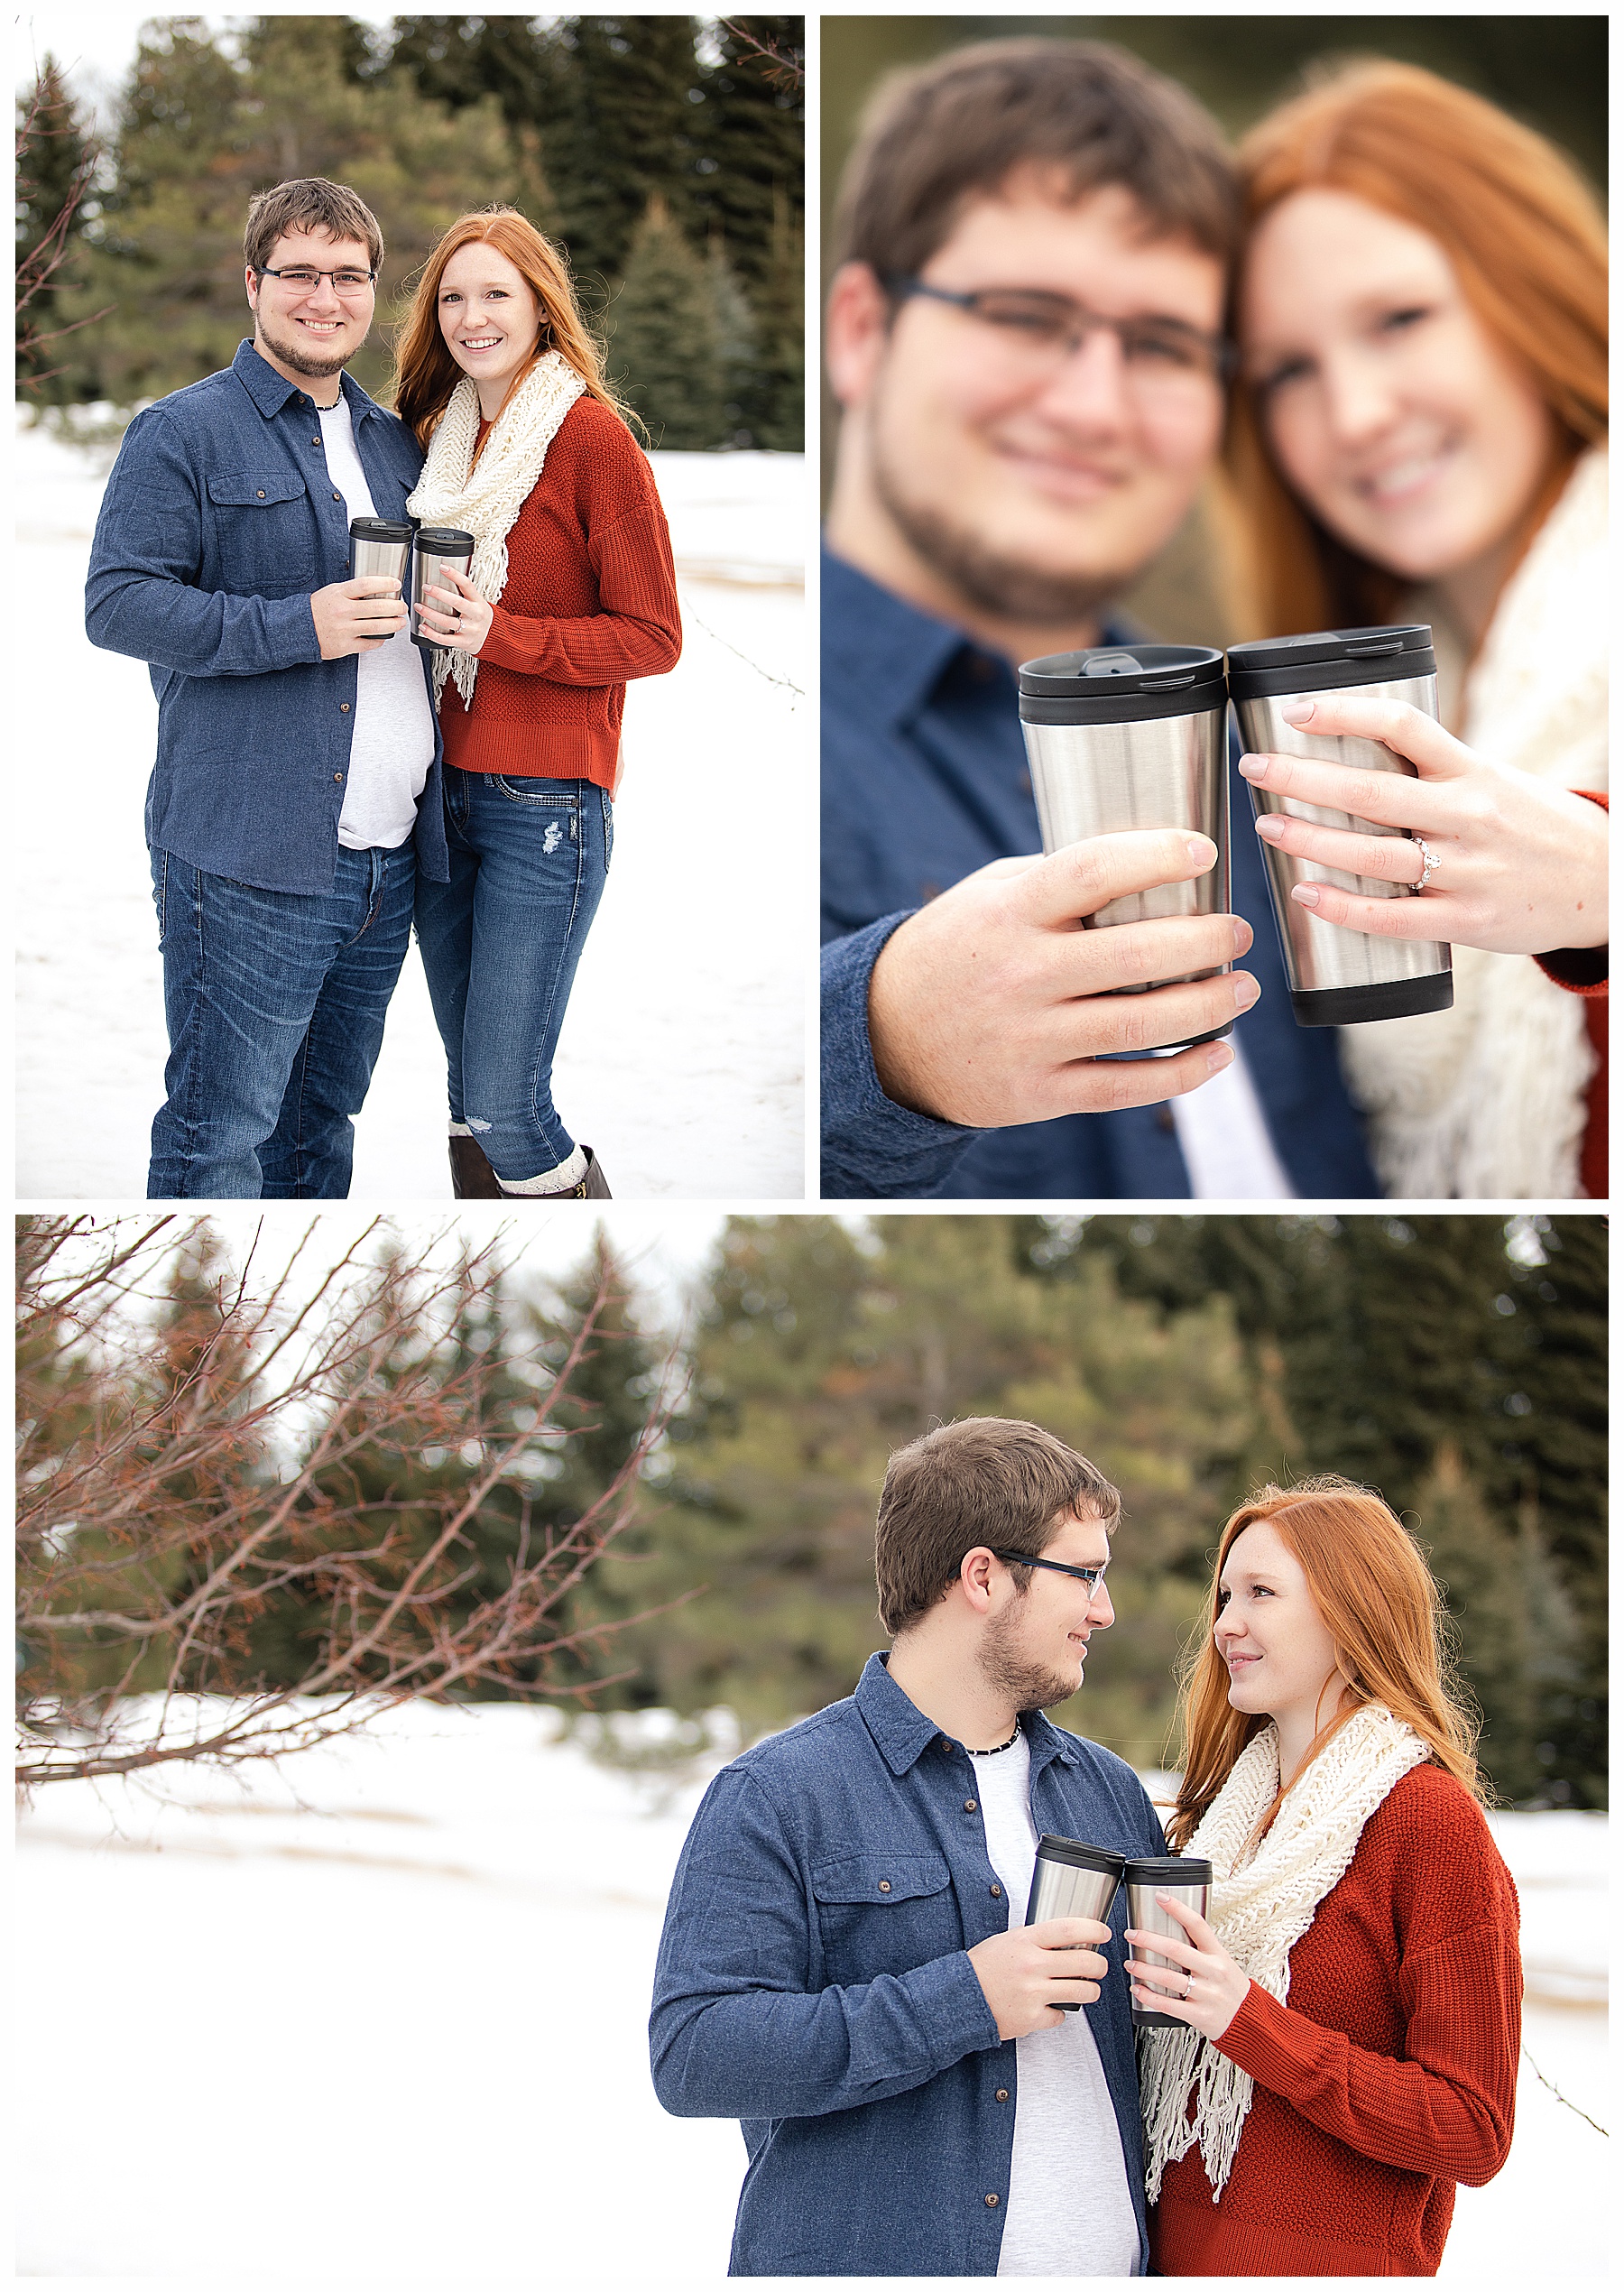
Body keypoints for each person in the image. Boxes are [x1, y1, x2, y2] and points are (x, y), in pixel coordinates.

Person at [819, 39, 1380, 1201]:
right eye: (1026, 315)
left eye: (1166, 346)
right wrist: (880, 1045)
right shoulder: (768, 732)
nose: (1093, 404)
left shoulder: (1292, 757)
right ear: (863, 328)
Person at [650, 1418, 1169, 2276]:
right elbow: (697, 2052)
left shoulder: (1109, 1794)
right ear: (983, 1575)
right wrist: (966, 1998)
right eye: (1084, 1574)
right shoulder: (779, 1795)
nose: (1104, 1610)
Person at [1229, 62, 1608, 1197]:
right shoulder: (1342, 721)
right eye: (1289, 371)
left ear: (1527, 287)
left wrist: (1600, 884)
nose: (1355, 414)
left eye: (1399, 320)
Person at [86, 177, 444, 1197]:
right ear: (254, 283)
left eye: (346, 276)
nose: (322, 297)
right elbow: (118, 603)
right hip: (248, 854)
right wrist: (301, 624)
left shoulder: (396, 443)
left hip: (385, 864)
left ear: (372, 291)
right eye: (297, 273)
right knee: (220, 1137)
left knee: (321, 1132)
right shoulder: (183, 431)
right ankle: (216, 1355)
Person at [1126, 1478, 1520, 2277]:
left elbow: (1472, 2129)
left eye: (1261, 1593)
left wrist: (1248, 2020)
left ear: (1352, 1609)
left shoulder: (1430, 1824)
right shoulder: (1220, 1826)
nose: (1225, 1624)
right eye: (1225, 1595)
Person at [389, 210, 681, 1199]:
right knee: (468, 1097)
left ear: (542, 308)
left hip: (543, 807)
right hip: (439, 799)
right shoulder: (440, 445)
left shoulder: (595, 441)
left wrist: (500, 634)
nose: (473, 316)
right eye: (454, 297)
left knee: (509, 1102)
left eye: (496, 294)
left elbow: (653, 636)